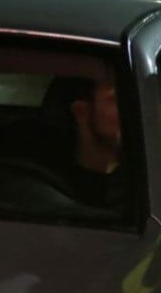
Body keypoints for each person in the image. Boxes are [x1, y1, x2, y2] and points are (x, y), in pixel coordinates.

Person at [43, 72, 126, 207]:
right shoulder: (50, 186)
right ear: (81, 112)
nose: (134, 110)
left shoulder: (139, 181)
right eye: (116, 99)